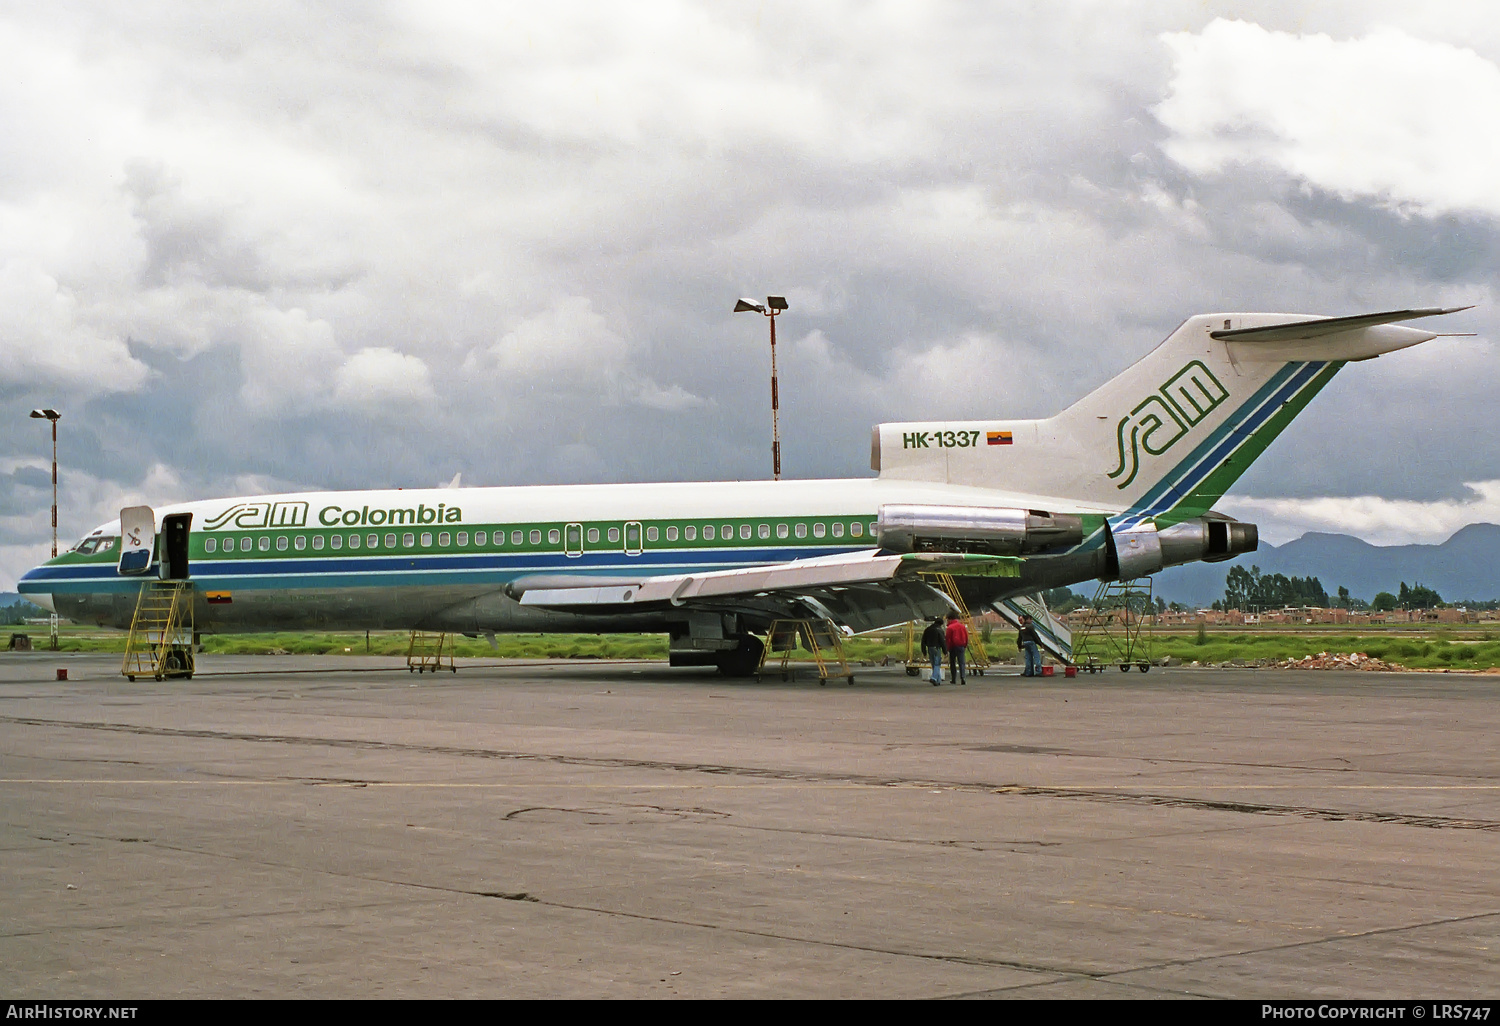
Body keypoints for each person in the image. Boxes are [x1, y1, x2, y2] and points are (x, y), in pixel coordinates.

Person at [944, 612, 969, 686]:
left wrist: (947, 648)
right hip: (961, 646)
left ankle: (953, 679)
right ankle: (963, 678)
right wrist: (965, 645)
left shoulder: (950, 628)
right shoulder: (962, 626)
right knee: (961, 663)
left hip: (953, 646)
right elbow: (966, 637)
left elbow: (947, 639)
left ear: (950, 619)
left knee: (952, 663)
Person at [920, 617, 945, 685]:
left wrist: (924, 651)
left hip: (930, 648)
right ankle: (934, 678)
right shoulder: (939, 630)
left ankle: (938, 680)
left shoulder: (927, 629)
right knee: (937, 664)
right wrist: (945, 651)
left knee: (934, 664)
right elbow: (942, 641)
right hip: (937, 648)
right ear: (940, 624)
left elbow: (923, 641)